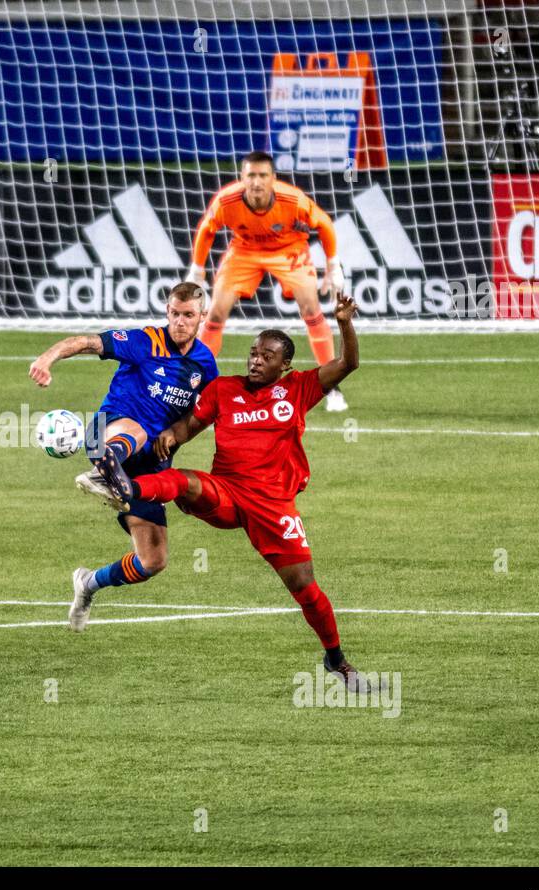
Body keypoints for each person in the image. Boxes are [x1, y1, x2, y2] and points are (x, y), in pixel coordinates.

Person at [94, 294, 368, 687]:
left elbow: (349, 364)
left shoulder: (300, 388)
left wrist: (343, 323)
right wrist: (171, 436)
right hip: (225, 492)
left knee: (305, 589)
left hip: (273, 507)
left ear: (284, 365)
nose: (256, 360)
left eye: (267, 356)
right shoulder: (224, 390)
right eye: (254, 353)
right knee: (182, 481)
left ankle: (336, 659)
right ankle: (122, 486)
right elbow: (189, 425)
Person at [28, 282, 219, 632]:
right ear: (167, 312)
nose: (179, 322)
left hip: (148, 468)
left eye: (188, 315)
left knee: (153, 560)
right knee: (139, 430)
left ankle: (89, 584)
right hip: (108, 432)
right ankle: (104, 472)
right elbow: (86, 342)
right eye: (174, 314)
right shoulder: (145, 340)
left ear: (201, 317)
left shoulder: (205, 365)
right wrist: (46, 359)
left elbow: (202, 415)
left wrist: (175, 433)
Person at [186, 150, 349, 411]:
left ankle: (330, 386)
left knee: (310, 307)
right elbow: (207, 228)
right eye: (251, 175)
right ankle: (197, 384)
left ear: (273, 178)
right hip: (244, 251)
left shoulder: (292, 199)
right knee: (215, 313)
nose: (257, 182)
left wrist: (333, 265)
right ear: (242, 177)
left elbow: (325, 224)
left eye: (263, 175)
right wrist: (197, 269)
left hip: (288, 249)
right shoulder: (227, 200)